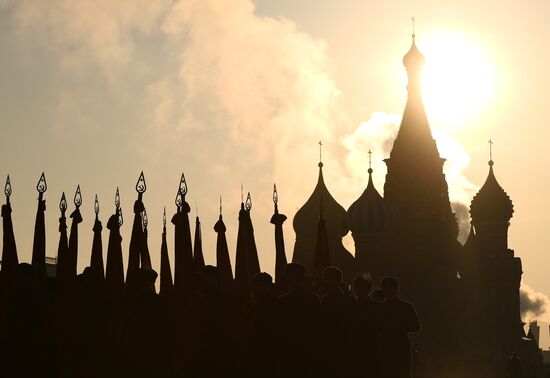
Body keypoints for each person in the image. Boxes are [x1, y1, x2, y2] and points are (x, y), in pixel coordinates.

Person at [278, 263, 321, 377]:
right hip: (301, 349)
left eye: (290, 276)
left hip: (297, 349)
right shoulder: (314, 299)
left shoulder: (283, 301)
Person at [379, 277, 420, 378]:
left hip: (396, 347)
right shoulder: (405, 307)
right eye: (386, 288)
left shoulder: (381, 308)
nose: (388, 291)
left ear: (395, 289)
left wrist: (398, 325)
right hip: (390, 347)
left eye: (390, 288)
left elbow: (416, 326)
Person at [319, 266, 355, 377]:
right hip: (328, 345)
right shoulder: (322, 301)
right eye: (327, 279)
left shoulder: (348, 301)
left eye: (331, 279)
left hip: (344, 344)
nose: (329, 282)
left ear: (338, 280)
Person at [248, 272, 279, 377]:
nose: (256, 288)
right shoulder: (275, 302)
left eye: (259, 285)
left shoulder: (266, 303)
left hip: (266, 347)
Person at [352, 273, 380, 378]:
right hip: (357, 348)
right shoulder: (352, 306)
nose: (359, 291)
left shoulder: (375, 307)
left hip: (370, 347)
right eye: (358, 288)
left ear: (368, 289)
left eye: (362, 288)